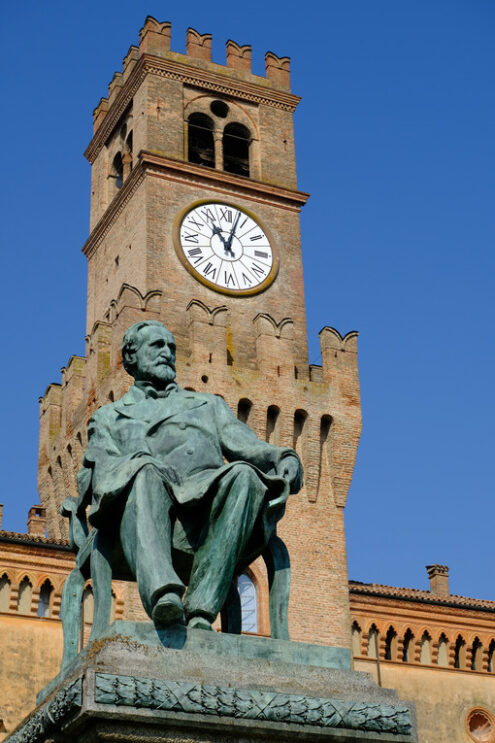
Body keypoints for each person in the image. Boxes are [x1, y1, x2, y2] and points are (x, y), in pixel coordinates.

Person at [76, 320, 303, 630]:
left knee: (244, 475)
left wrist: (285, 457)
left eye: (171, 347)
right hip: (143, 503)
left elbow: (249, 446)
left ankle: (200, 607)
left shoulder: (207, 405)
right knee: (145, 472)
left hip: (207, 504)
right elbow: (99, 469)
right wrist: (136, 465)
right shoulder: (109, 416)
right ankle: (164, 595)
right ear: (131, 357)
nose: (167, 353)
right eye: (157, 346)